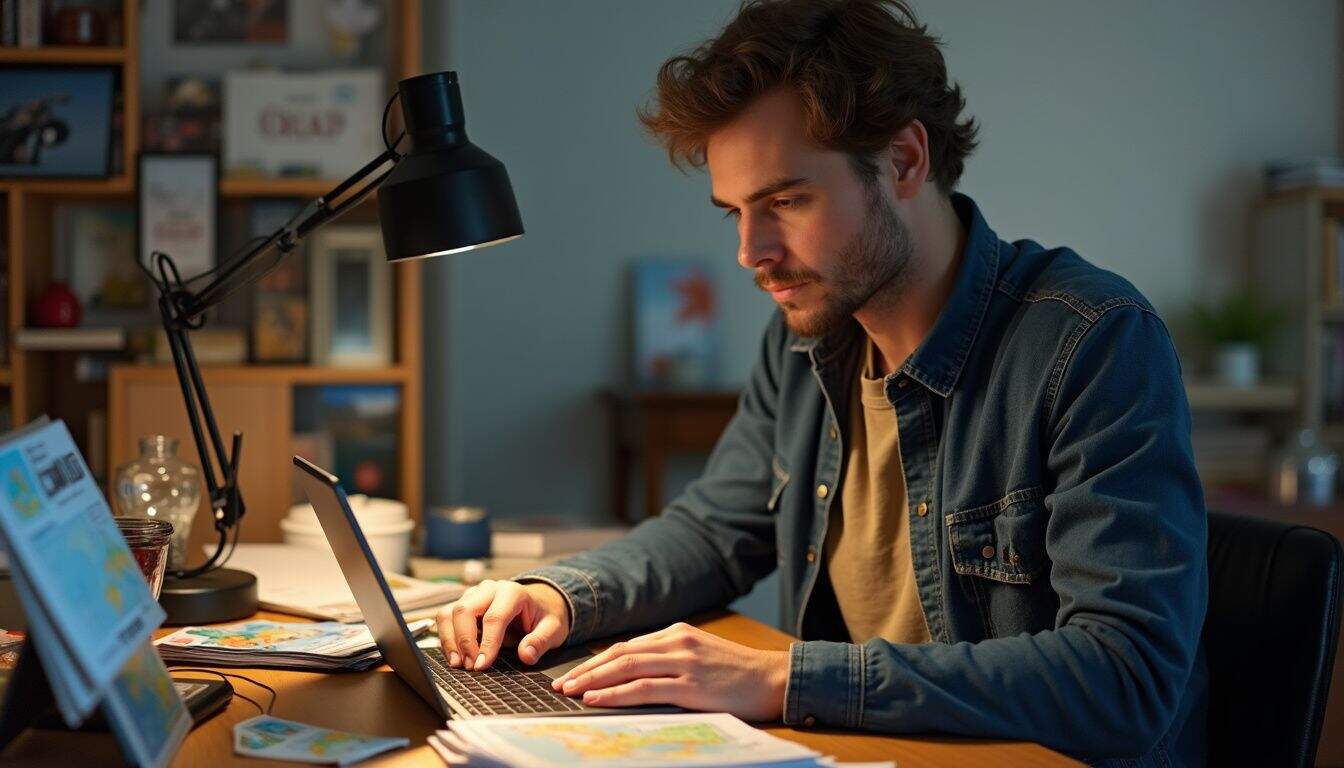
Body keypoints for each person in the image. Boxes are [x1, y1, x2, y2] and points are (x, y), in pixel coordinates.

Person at [436, 1, 1207, 765]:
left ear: (905, 161)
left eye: (786, 202)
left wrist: (784, 678)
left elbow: (1125, 678)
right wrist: (561, 595)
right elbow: (714, 530)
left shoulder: (1092, 341)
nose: (750, 251)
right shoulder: (809, 341)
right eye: (734, 212)